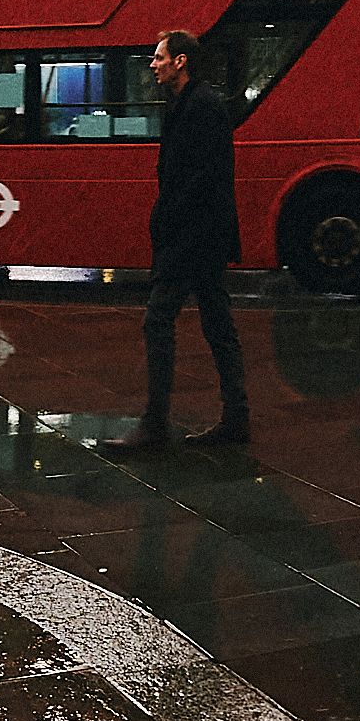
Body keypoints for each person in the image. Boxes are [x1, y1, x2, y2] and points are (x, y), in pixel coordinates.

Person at [108, 29, 248, 451]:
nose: (153, 65)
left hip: (192, 236)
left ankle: (154, 426)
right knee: (218, 325)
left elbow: (204, 177)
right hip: (200, 235)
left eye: (159, 57)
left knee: (159, 321)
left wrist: (169, 220)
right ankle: (236, 419)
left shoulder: (200, 107)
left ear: (181, 61)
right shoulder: (192, 103)